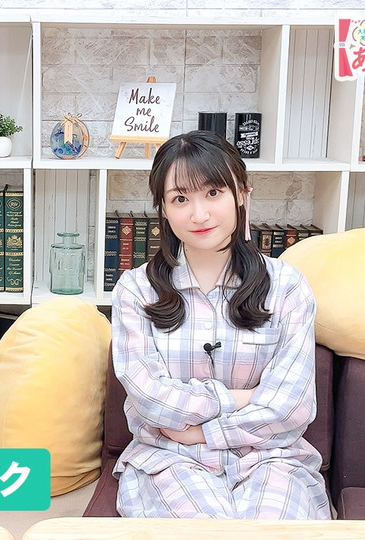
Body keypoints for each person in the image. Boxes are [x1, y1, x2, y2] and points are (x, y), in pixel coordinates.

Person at [111, 130, 330, 519]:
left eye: (213, 193)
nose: (199, 214)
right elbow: (150, 400)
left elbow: (290, 407)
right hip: (170, 458)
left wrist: (203, 432)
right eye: (180, 199)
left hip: (272, 459)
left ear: (242, 193)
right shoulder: (136, 290)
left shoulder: (287, 286)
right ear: (163, 208)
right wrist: (238, 398)